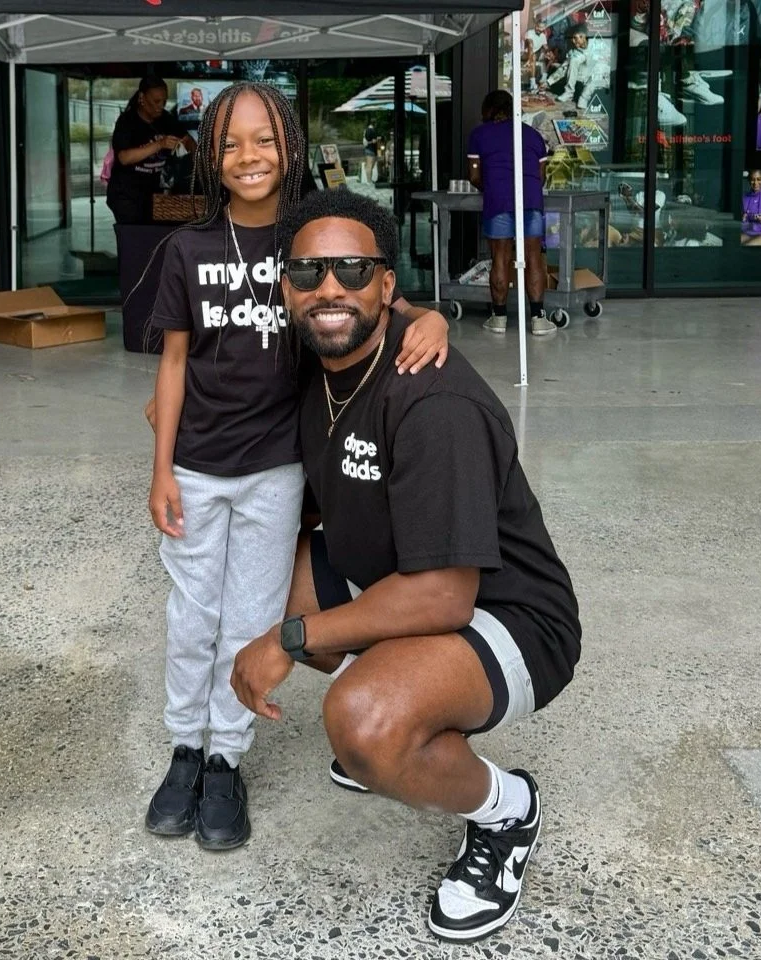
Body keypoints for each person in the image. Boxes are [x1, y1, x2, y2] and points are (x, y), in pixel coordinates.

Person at [231, 188, 581, 944]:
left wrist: (289, 640)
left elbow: (445, 597)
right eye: (310, 271)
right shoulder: (317, 351)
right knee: (261, 565)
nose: (331, 288)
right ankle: (394, 701)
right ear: (285, 286)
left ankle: (505, 811)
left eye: (354, 271)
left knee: (361, 720)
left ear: (387, 285)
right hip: (401, 574)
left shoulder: (434, 402)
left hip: (506, 613)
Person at [144, 82, 451, 853]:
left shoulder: (308, 238)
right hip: (198, 468)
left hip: (278, 469)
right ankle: (186, 748)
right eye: (231, 143)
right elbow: (173, 365)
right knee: (191, 618)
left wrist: (434, 314)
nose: (249, 156)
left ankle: (226, 760)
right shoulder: (187, 249)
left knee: (249, 618)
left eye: (265, 140)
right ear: (210, 157)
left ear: (291, 147)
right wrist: (160, 469)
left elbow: (374, 295)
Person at [466, 90, 554, 335]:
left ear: (487, 110)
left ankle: (499, 318)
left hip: (498, 201)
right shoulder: (533, 135)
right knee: (534, 256)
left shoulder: (479, 135)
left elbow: (473, 175)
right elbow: (541, 176)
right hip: (531, 201)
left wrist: (492, 186)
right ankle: (538, 318)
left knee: (501, 257)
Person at [106, 76, 196, 225]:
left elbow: (188, 140)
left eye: (164, 101)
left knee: (154, 237)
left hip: (154, 194)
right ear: (142, 97)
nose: (160, 106)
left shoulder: (166, 119)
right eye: (156, 101)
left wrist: (191, 149)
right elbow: (124, 157)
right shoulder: (127, 121)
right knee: (134, 238)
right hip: (126, 195)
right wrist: (159, 144)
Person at [741, 169, 761, 246]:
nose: (755, 183)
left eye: (758, 179)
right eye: (752, 180)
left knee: (747, 246)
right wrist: (744, 218)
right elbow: (743, 218)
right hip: (750, 230)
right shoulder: (745, 197)